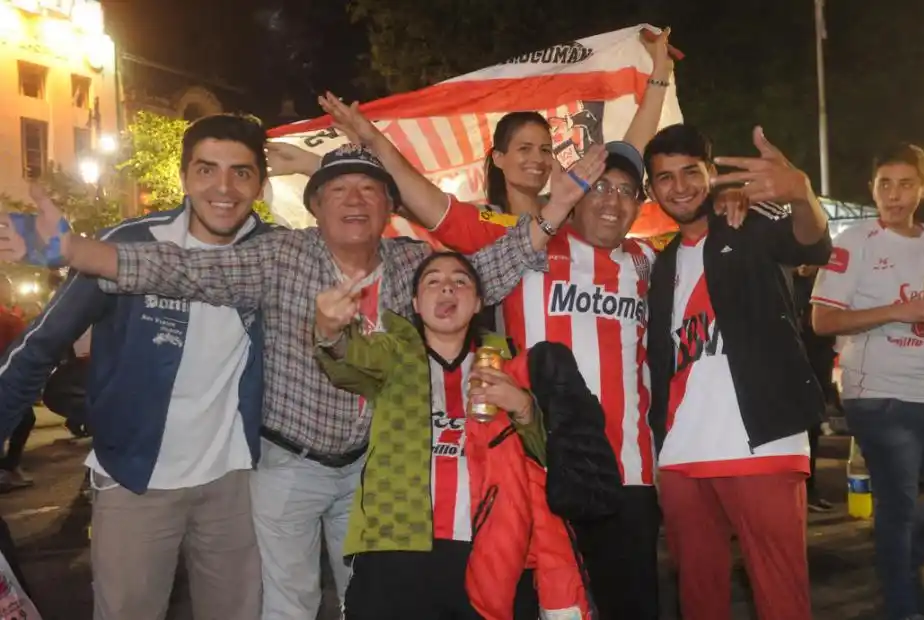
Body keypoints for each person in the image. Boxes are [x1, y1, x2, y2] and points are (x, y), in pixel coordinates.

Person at [0, 137, 602, 619]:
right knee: (289, 605)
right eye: (337, 189)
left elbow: (488, 270)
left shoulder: (411, 264)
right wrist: (71, 250)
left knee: (365, 599)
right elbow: (177, 269)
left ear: (389, 209)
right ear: (314, 206)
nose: (355, 200)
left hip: (374, 470)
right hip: (287, 466)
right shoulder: (283, 256)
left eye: (370, 189)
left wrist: (554, 207)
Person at [302, 86, 749, 619]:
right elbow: (428, 201)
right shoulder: (523, 243)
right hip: (541, 465)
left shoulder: (646, 261)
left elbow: (686, 213)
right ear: (575, 192)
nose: (611, 199)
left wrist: (721, 200)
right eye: (598, 186)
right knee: (546, 606)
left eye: (626, 191)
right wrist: (370, 138)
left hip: (629, 475)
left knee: (631, 606)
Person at [0, 114, 272, 620]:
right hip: (135, 477)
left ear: (262, 181)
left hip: (236, 482)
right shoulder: (129, 242)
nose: (224, 188)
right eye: (207, 169)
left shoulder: (275, 252)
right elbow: (41, 344)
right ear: (185, 176)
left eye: (242, 172)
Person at [315, 251, 589, 620]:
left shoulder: (511, 365)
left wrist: (523, 406)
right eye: (433, 281)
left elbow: (545, 462)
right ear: (415, 303)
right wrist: (330, 329)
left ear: (477, 303)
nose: (447, 286)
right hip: (396, 548)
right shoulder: (392, 358)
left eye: (461, 281)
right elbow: (348, 359)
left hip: (493, 551)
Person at [643, 123, 831, 620]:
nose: (679, 186)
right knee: (699, 600)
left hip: (764, 443)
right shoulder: (658, 267)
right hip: (682, 455)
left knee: (781, 597)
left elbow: (811, 245)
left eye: (690, 172)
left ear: (711, 176)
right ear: (651, 189)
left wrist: (804, 194)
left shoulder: (748, 227)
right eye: (664, 178)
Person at [812, 143, 924, 620]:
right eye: (885, 184)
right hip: (881, 394)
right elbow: (821, 320)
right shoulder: (853, 242)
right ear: (872, 189)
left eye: (905, 184)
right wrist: (899, 311)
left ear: (922, 188)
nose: (895, 195)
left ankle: (901, 561)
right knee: (897, 507)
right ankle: (903, 605)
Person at [793, 264, 837, 512]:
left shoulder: (828, 279)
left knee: (814, 424)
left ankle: (809, 489)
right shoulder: (781, 277)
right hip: (789, 359)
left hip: (817, 357)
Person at [0, 275, 33, 492]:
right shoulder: (9, 319)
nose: (11, 293)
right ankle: (8, 468)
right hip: (6, 378)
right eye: (8, 288)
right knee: (25, 418)